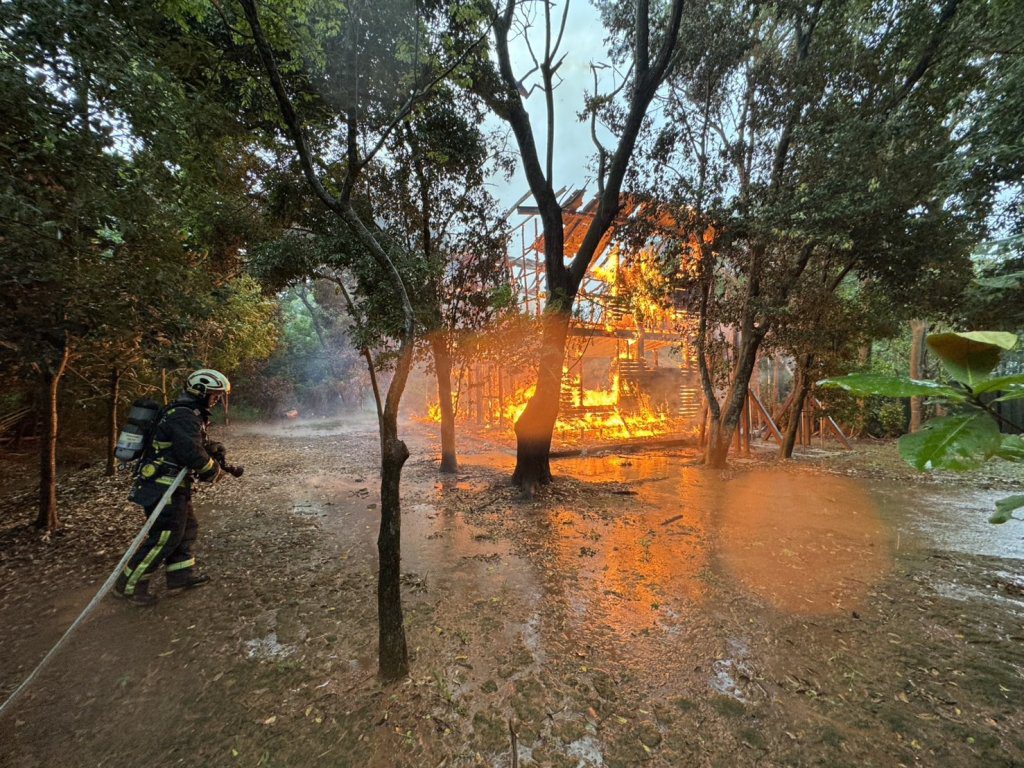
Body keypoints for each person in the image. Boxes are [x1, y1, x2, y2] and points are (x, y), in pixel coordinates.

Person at [114, 369, 231, 606]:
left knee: (186, 528)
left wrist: (213, 448)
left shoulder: (186, 413)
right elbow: (190, 452)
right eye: (214, 395)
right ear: (200, 392)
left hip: (172, 485)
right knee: (165, 536)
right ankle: (129, 585)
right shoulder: (183, 416)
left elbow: (192, 442)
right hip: (162, 486)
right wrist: (212, 471)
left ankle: (180, 575)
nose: (216, 400)